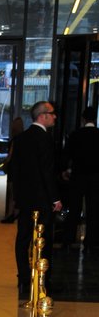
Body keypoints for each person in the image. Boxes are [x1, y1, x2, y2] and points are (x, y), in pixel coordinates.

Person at [9, 101, 62, 296]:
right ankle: (44, 281)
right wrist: (55, 199)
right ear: (42, 116)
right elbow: (47, 172)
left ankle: (24, 278)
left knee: (23, 239)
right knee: (43, 241)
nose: (55, 117)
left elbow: (15, 171)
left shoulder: (20, 139)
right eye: (52, 113)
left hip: (25, 200)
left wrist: (17, 197)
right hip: (43, 201)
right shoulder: (45, 139)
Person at [61, 106, 99, 251]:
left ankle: (68, 239)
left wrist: (65, 170)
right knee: (93, 209)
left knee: (74, 208)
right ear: (95, 119)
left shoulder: (75, 135)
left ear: (83, 119)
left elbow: (67, 154)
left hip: (78, 176)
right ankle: (91, 241)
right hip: (95, 177)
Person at [0, 116, 24, 223]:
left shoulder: (14, 140)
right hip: (20, 168)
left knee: (11, 193)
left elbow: (10, 156)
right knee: (17, 192)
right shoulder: (24, 139)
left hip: (13, 167)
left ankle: (10, 214)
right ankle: (16, 212)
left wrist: (4, 164)